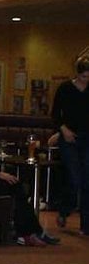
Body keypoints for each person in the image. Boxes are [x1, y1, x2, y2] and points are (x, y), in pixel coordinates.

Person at [0, 106, 60, 246]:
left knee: (15, 186)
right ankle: (29, 232)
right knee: (16, 186)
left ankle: (29, 232)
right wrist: (0, 174)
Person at [51, 57, 89, 235]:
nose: (86, 80)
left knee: (87, 180)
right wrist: (63, 129)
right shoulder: (65, 89)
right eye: (83, 76)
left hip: (87, 138)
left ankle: (86, 225)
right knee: (74, 178)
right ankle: (65, 209)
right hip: (69, 138)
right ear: (77, 74)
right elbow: (55, 114)